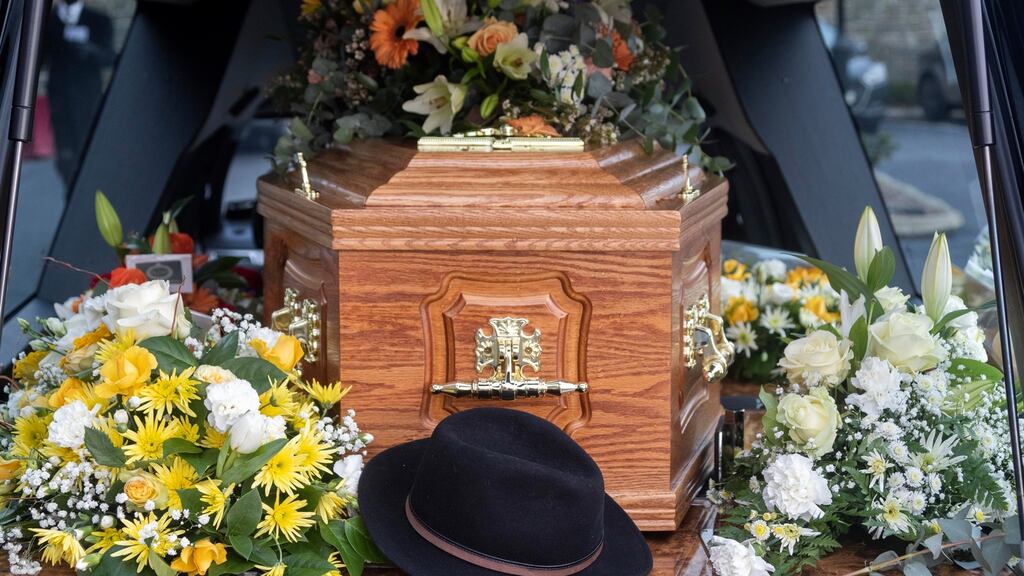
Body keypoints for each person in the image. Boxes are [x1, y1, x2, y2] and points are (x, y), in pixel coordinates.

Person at [43, 0, 115, 187]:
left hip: (89, 101)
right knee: (66, 157)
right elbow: (38, 60)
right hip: (60, 104)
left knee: (91, 153)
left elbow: (110, 57)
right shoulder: (47, 22)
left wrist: (91, 51)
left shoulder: (98, 20)